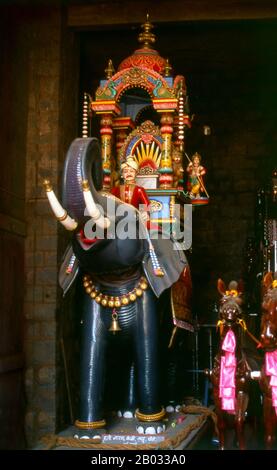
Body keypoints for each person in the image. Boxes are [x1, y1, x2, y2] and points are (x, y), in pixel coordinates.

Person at [112, 156, 164, 277]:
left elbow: (146, 204)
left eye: (131, 171)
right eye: (125, 171)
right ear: (122, 175)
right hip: (119, 219)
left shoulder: (139, 190)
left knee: (146, 234)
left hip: (135, 218)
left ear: (135, 173)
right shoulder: (115, 190)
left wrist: (145, 213)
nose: (128, 174)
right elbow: (111, 205)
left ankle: (155, 262)